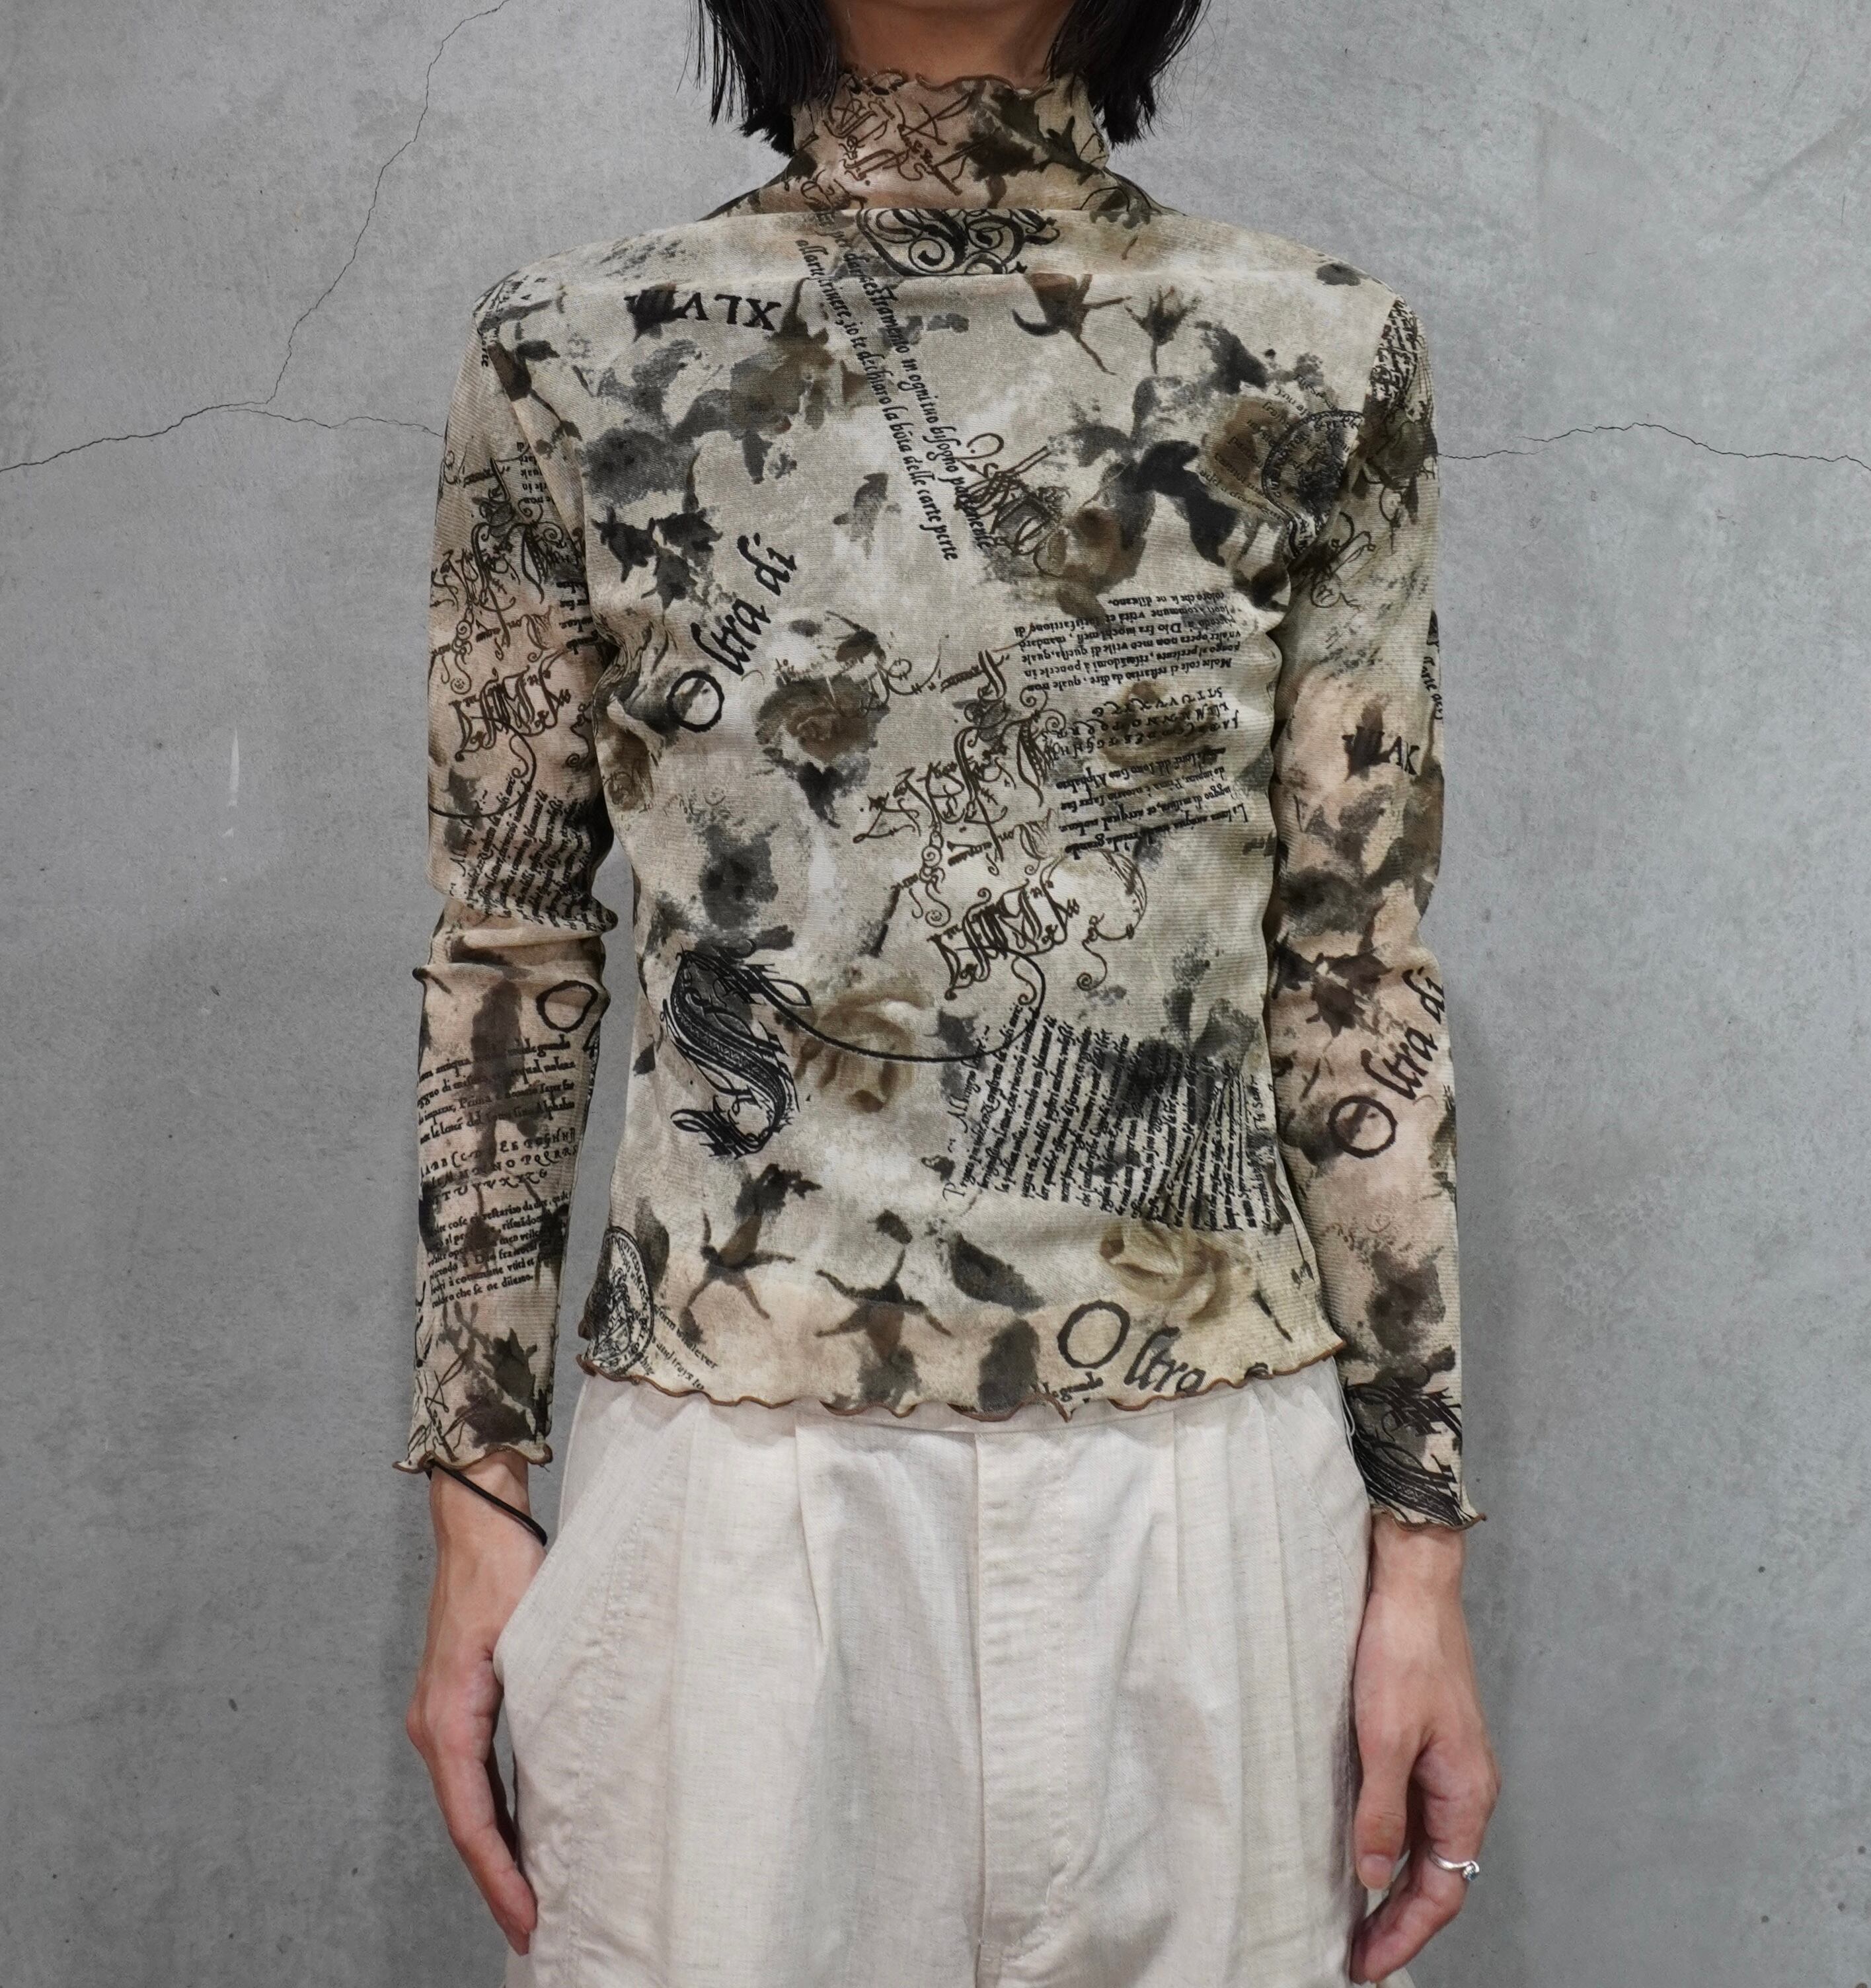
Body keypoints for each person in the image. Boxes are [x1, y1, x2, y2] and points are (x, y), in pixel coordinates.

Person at [401, 0, 1499, 1981]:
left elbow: (1351, 970)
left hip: (1209, 1477)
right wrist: (477, 1493)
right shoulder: (575, 351)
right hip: (729, 1475)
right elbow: (514, 944)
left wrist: (1419, 1549)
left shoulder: (1320, 352)